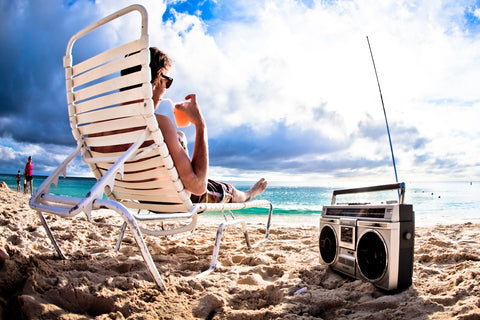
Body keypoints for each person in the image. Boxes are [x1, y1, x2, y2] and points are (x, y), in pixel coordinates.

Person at [114, 47, 267, 203]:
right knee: (225, 190)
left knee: (179, 136)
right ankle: (248, 194)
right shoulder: (159, 124)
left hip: (136, 197)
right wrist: (200, 125)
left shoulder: (98, 127)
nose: (165, 90)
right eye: (168, 82)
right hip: (172, 198)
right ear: (154, 81)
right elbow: (197, 187)